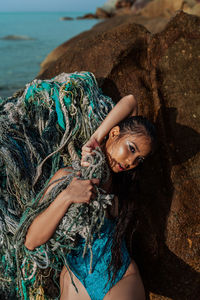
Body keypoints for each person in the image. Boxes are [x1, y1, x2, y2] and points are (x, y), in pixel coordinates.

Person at [24, 94, 156, 300]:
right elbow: (31, 241)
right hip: (75, 277)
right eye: (131, 148)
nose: (131, 162)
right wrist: (67, 196)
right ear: (114, 133)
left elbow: (130, 103)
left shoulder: (116, 184)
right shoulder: (67, 176)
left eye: (139, 159)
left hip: (120, 277)